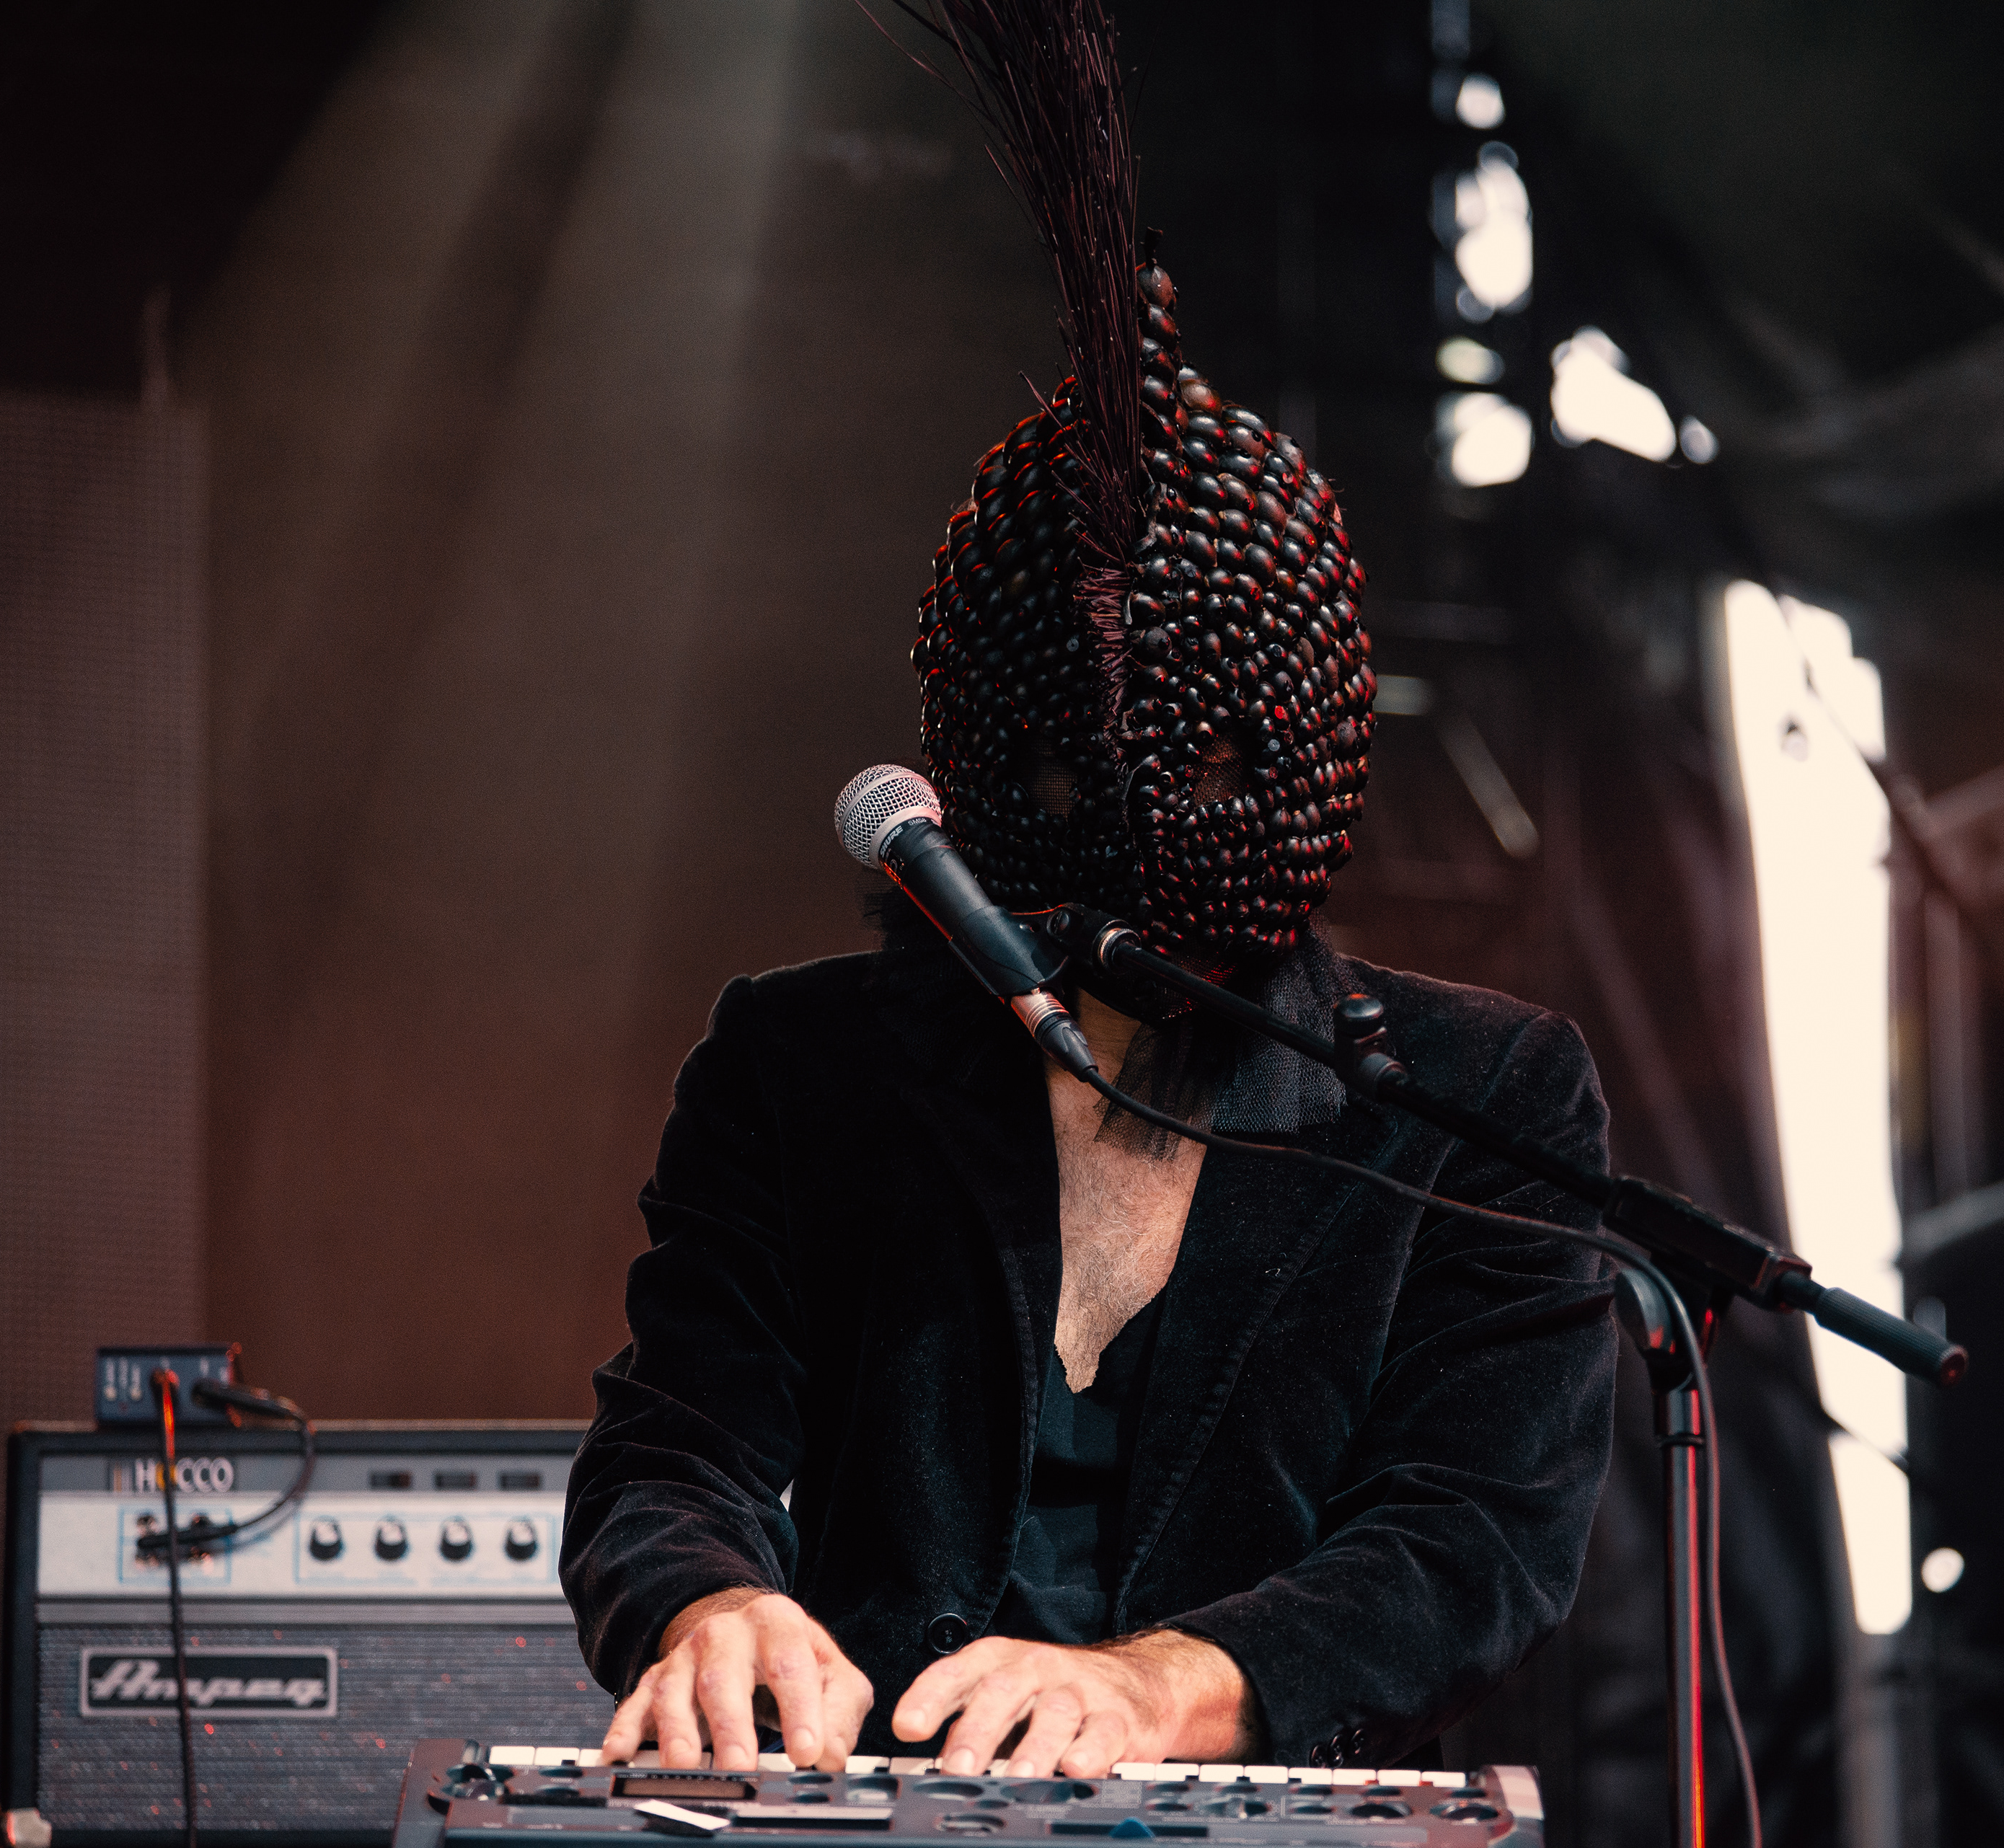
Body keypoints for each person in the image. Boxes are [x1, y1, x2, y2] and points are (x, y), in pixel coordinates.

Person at [560, 0, 1617, 1782]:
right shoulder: (797, 1069)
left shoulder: (1478, 1102)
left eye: (1193, 770)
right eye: (1063, 770)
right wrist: (708, 1600)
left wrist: (1162, 1684)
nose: (1126, 815)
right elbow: (675, 1445)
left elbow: (1469, 1537)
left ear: (1300, 748)